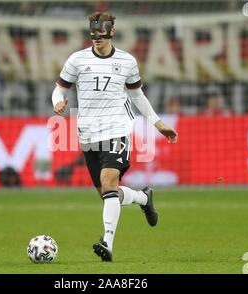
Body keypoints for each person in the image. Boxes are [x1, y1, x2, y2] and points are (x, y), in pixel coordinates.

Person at [51, 11, 178, 262]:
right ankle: (143, 198)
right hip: (87, 133)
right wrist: (57, 104)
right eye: (93, 34)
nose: (97, 38)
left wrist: (158, 123)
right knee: (108, 194)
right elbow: (58, 90)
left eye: (101, 34)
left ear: (112, 32)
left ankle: (107, 244)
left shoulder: (127, 61)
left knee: (109, 182)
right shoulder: (77, 60)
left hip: (117, 129)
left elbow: (137, 96)